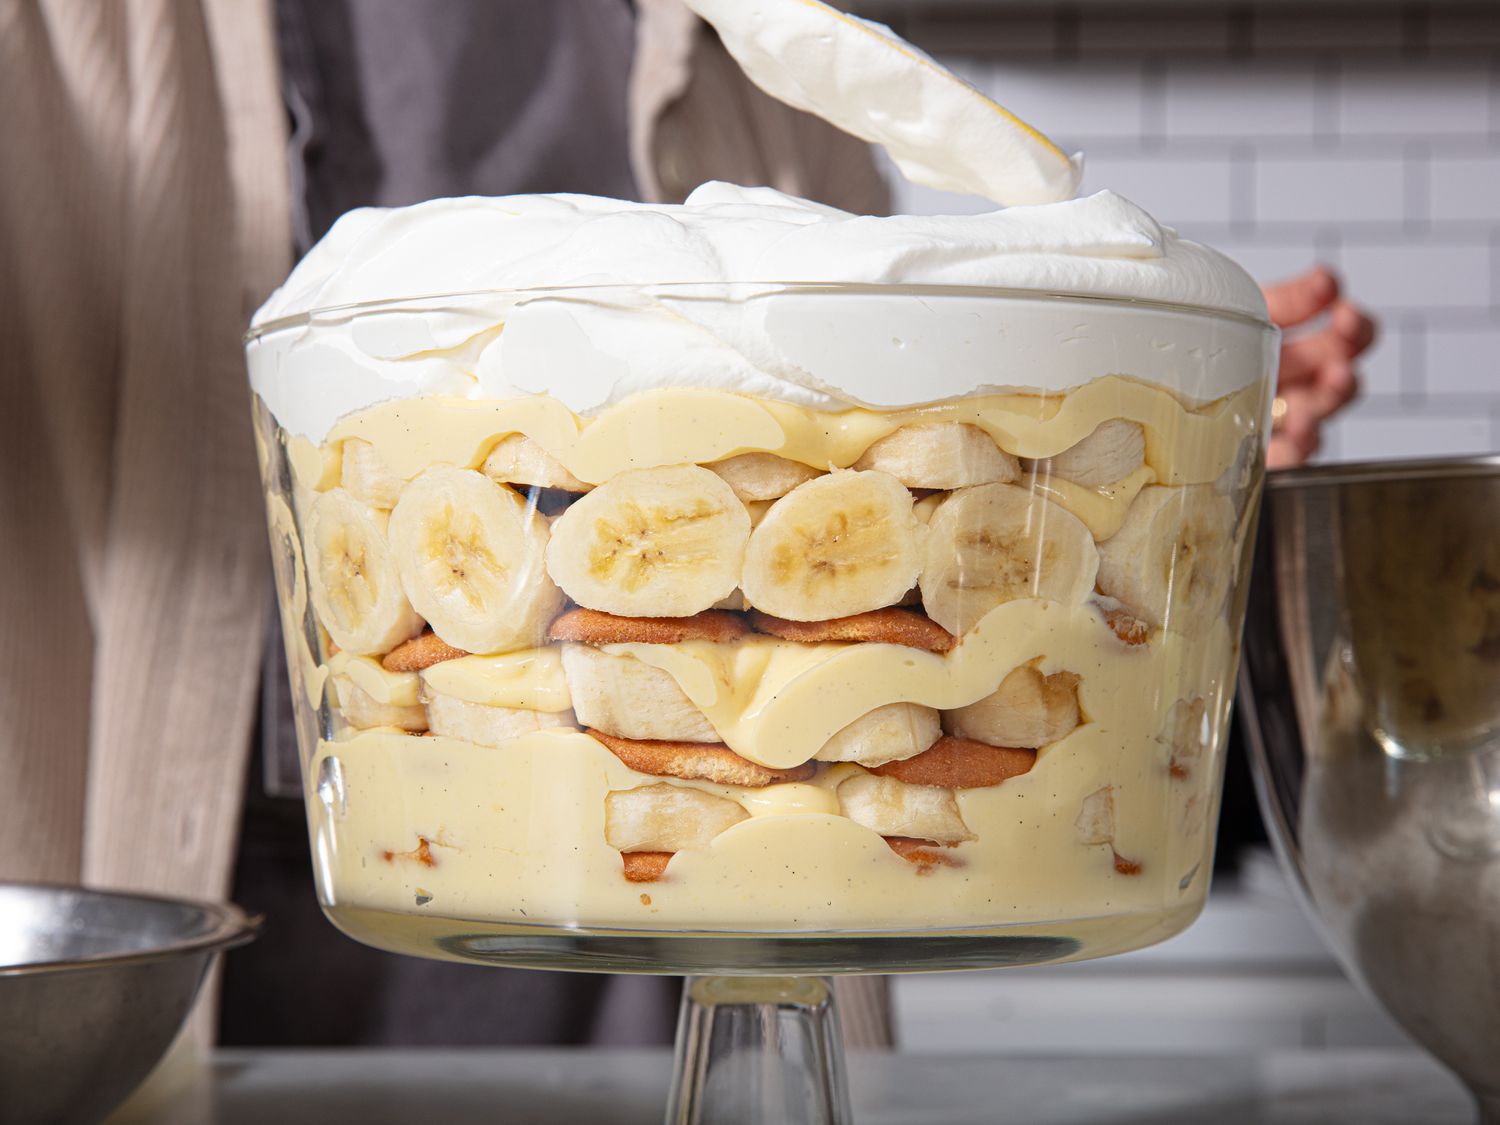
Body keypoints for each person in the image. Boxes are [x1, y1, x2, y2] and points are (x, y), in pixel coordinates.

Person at [2, 0, 1372, 1051]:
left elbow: (882, 434)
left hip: (763, 854)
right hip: (243, 839)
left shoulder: (756, 38)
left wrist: (1105, 463)